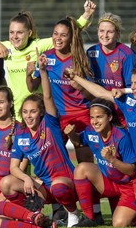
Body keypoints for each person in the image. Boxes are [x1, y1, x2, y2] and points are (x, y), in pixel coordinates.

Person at [66, 54, 136, 228]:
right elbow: (102, 94)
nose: (131, 87)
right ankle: (92, 216)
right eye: (131, 83)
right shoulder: (128, 103)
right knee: (82, 170)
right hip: (128, 173)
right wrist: (76, 78)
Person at [0, 48, 80, 227]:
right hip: (45, 186)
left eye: (33, 112)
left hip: (67, 183)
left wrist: (42, 71)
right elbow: (13, 168)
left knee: (58, 185)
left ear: (41, 113)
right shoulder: (21, 135)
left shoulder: (49, 124)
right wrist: (27, 178)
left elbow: (47, 95)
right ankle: (27, 214)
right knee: (6, 183)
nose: (28, 116)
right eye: (25, 112)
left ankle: (74, 214)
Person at [26, 16, 94, 163]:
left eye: (63, 35)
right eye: (55, 33)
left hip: (80, 113)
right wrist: (28, 75)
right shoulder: (46, 57)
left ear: (71, 38)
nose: (58, 38)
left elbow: (92, 95)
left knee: (85, 163)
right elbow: (32, 87)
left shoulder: (81, 60)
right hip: (56, 116)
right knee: (52, 162)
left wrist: (79, 87)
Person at [66, 98, 136, 227]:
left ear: (110, 117)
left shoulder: (121, 137)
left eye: (99, 117)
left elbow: (132, 170)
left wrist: (111, 159)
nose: (95, 121)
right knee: (81, 169)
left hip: (128, 186)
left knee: (119, 223)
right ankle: (91, 218)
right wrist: (72, 135)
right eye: (92, 117)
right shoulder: (90, 131)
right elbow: (79, 142)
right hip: (109, 181)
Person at [86, 12, 135, 91]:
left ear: (117, 33)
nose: (105, 35)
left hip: (119, 100)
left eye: (110, 32)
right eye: (102, 31)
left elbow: (132, 87)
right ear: (97, 31)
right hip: (97, 100)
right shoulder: (91, 52)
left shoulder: (127, 54)